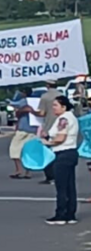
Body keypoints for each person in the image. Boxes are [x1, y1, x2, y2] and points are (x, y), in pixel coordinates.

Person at [43, 95, 79, 225]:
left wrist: (47, 142)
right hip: (71, 153)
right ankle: (70, 214)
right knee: (70, 186)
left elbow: (60, 138)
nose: (53, 108)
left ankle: (61, 215)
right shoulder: (70, 117)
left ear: (63, 107)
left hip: (63, 153)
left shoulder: (63, 118)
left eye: (55, 105)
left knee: (62, 186)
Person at [36, 80, 62, 185]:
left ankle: (50, 177)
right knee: (59, 153)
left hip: (49, 127)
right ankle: (59, 175)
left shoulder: (45, 97)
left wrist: (32, 111)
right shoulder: (61, 95)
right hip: (61, 127)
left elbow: (42, 113)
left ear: (47, 85)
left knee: (47, 154)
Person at [9, 86, 37, 179]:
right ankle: (28, 172)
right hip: (33, 129)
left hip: (23, 129)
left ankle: (19, 170)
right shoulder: (36, 102)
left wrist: (8, 101)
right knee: (28, 151)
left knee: (14, 149)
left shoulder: (24, 101)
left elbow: (14, 104)